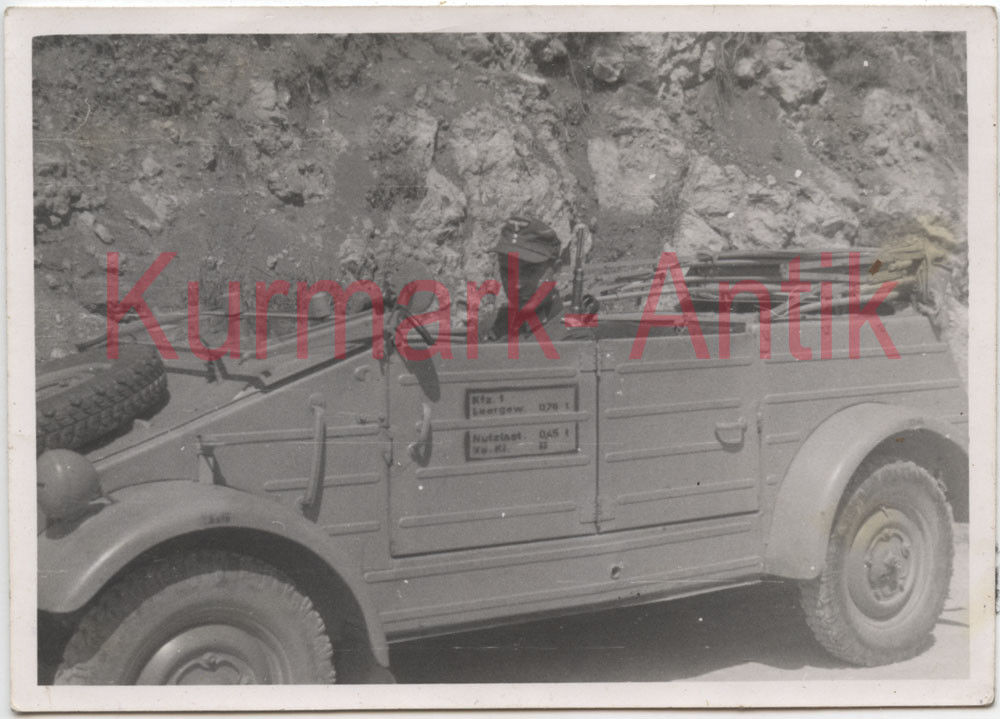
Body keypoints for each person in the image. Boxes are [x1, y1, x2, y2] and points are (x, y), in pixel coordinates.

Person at [483, 216, 566, 342]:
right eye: (507, 271)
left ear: (556, 270)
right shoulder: (490, 327)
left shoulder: (572, 335)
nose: (517, 285)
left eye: (529, 271)